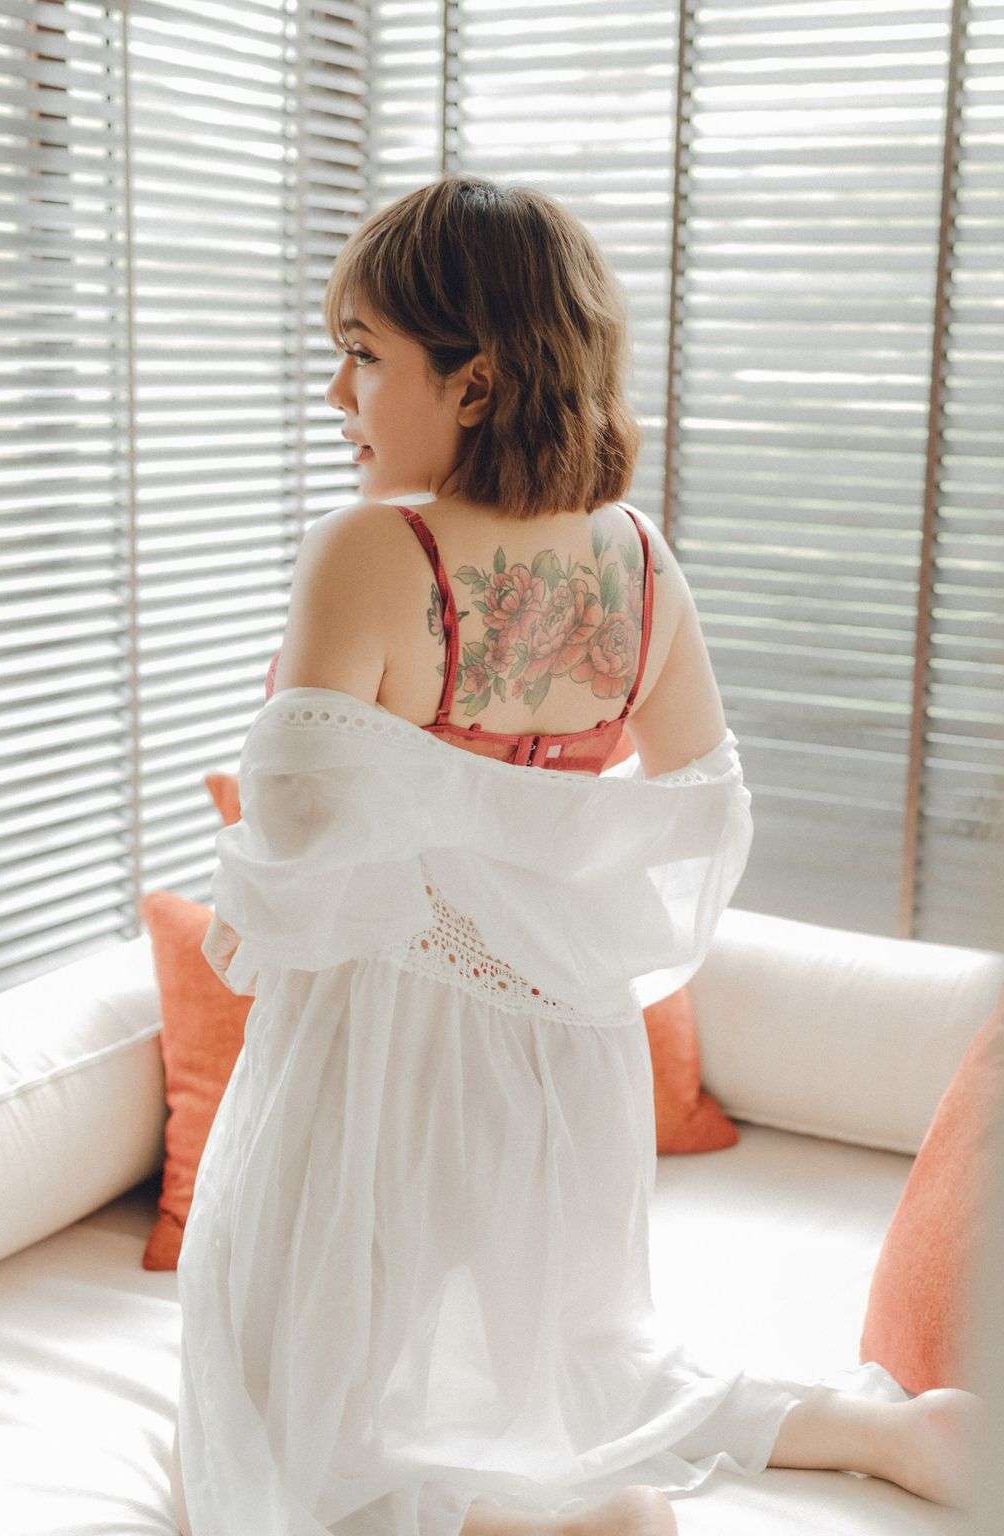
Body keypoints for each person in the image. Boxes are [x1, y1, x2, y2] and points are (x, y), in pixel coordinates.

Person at [171, 176, 984, 1536]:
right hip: (566, 1048)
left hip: (378, 1041)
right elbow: (701, 803)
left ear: (475, 379)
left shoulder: (375, 551)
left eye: (363, 355)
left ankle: (540, 1522)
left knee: (267, 1410)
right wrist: (536, 874)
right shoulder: (639, 562)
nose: (335, 394)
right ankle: (877, 1429)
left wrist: (413, 839)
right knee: (565, 1348)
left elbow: (300, 827)